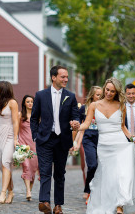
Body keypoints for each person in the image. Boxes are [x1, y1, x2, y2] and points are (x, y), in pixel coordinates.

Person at [81, 78, 135, 214]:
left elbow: (123, 127)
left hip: (120, 144)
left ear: (116, 92)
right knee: (108, 176)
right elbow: (86, 124)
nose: (109, 93)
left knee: (122, 175)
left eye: (113, 91)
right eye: (107, 90)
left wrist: (132, 138)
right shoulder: (94, 105)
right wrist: (77, 126)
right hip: (104, 146)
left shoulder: (121, 105)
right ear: (104, 88)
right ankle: (110, 203)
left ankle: (120, 205)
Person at [30, 65, 80, 214]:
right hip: (45, 139)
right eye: (63, 77)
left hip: (62, 140)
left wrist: (75, 122)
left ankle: (58, 205)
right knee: (45, 172)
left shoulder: (70, 96)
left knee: (59, 173)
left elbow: (75, 115)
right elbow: (34, 118)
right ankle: (44, 202)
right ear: (53, 77)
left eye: (66, 77)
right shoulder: (40, 95)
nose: (66, 79)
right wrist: (35, 135)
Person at [71, 86, 102, 204]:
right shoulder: (84, 108)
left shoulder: (104, 108)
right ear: (92, 95)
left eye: (101, 95)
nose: (100, 97)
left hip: (102, 138)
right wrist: (76, 143)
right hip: (88, 138)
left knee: (102, 167)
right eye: (98, 95)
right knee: (92, 165)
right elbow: (79, 124)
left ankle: (98, 191)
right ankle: (88, 189)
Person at [19, 95, 38, 201]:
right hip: (23, 144)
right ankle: (28, 191)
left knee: (33, 168)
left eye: (32, 101)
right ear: (24, 103)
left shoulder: (38, 116)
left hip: (35, 145)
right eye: (28, 101)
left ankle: (29, 189)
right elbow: (15, 128)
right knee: (26, 166)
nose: (30, 103)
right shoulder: (20, 115)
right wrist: (16, 141)